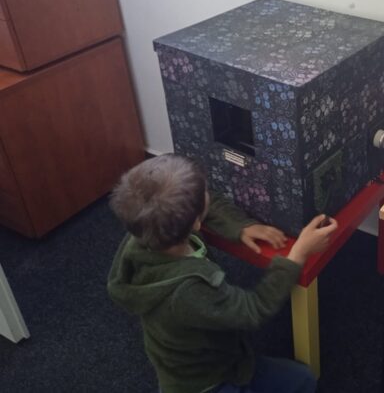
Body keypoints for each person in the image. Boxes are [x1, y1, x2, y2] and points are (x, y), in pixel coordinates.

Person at [107, 154, 337, 393]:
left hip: (206, 355)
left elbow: (206, 205)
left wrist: (241, 226)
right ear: (195, 222)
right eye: (205, 191)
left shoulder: (148, 229)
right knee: (302, 381)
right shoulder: (190, 291)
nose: (210, 193)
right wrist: (298, 255)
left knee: (303, 379)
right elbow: (253, 309)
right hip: (207, 381)